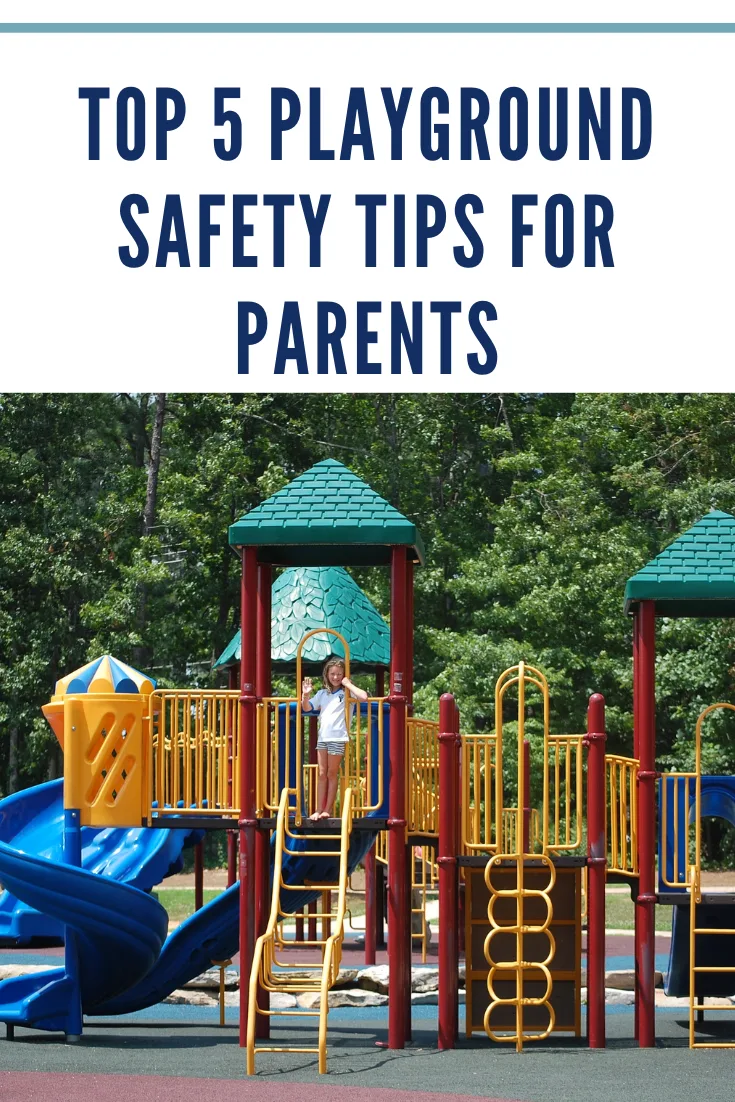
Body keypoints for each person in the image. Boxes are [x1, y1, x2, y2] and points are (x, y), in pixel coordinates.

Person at [302, 656, 368, 820]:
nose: (336, 677)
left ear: (344, 675)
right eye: (333, 674)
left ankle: (327, 810)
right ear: (327, 675)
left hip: (338, 738)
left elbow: (363, 697)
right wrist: (305, 695)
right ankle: (318, 809)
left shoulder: (347, 693)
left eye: (339, 674)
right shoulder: (322, 694)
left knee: (332, 773)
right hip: (323, 737)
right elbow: (307, 707)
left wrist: (348, 683)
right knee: (322, 773)